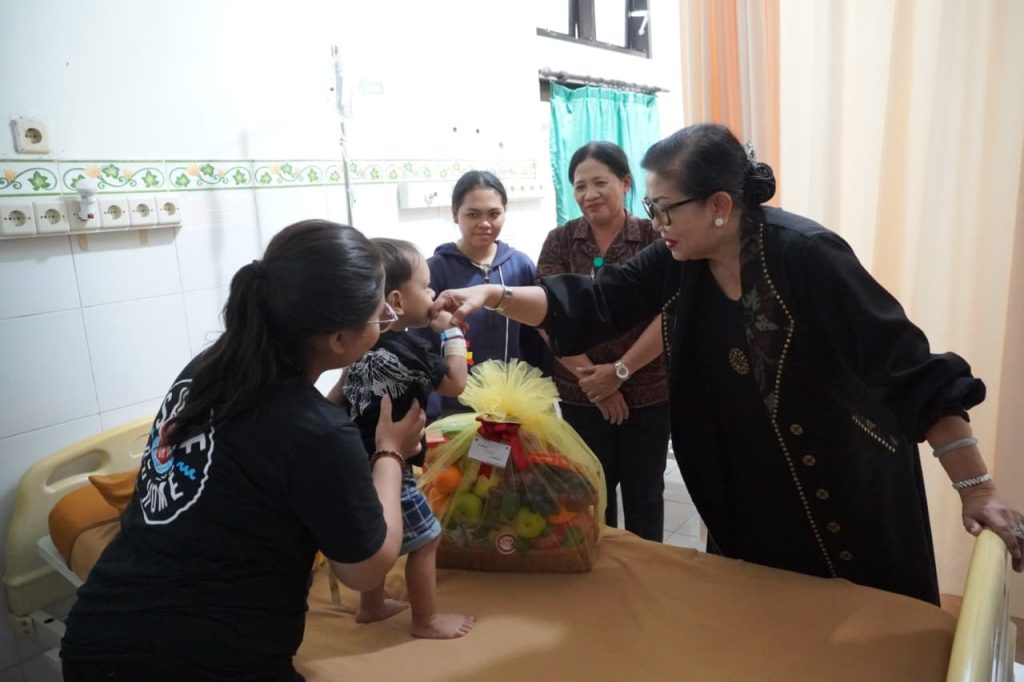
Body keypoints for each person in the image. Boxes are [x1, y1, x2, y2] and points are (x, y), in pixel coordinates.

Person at [429, 124, 1024, 604]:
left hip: (845, 480)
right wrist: (493, 297)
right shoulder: (679, 258)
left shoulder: (806, 256)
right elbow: (593, 303)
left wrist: (977, 488)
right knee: (769, 623)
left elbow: (910, 370)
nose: (656, 226)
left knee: (865, 623)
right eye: (652, 210)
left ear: (719, 204)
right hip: (749, 484)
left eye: (665, 211)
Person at [60, 220, 426, 681]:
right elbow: (365, 569)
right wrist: (390, 454)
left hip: (100, 632)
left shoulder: (208, 369)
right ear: (338, 339)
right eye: (379, 318)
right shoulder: (319, 433)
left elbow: (258, 455)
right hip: (201, 660)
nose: (385, 325)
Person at [331, 238, 474, 639]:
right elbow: (455, 384)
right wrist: (452, 334)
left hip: (353, 459)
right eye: (426, 287)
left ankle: (372, 605)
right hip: (390, 464)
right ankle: (426, 620)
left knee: (374, 531)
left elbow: (337, 395)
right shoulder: (410, 352)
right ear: (395, 299)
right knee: (426, 539)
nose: (432, 294)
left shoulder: (358, 344)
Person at [536, 141, 670, 541]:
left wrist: (620, 371)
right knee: (593, 491)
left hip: (648, 390)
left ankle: (647, 576)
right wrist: (596, 382)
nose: (589, 194)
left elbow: (671, 311)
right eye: (580, 186)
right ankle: (602, 576)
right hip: (583, 393)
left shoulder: (654, 236)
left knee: (646, 492)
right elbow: (547, 316)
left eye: (600, 182)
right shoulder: (560, 241)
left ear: (625, 183)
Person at [419, 170, 548, 420]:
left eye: (494, 214)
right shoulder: (435, 269)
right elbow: (423, 345)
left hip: (515, 403)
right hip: (455, 406)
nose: (485, 223)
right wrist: (432, 409)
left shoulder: (521, 265)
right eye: (473, 214)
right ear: (455, 214)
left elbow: (537, 339)